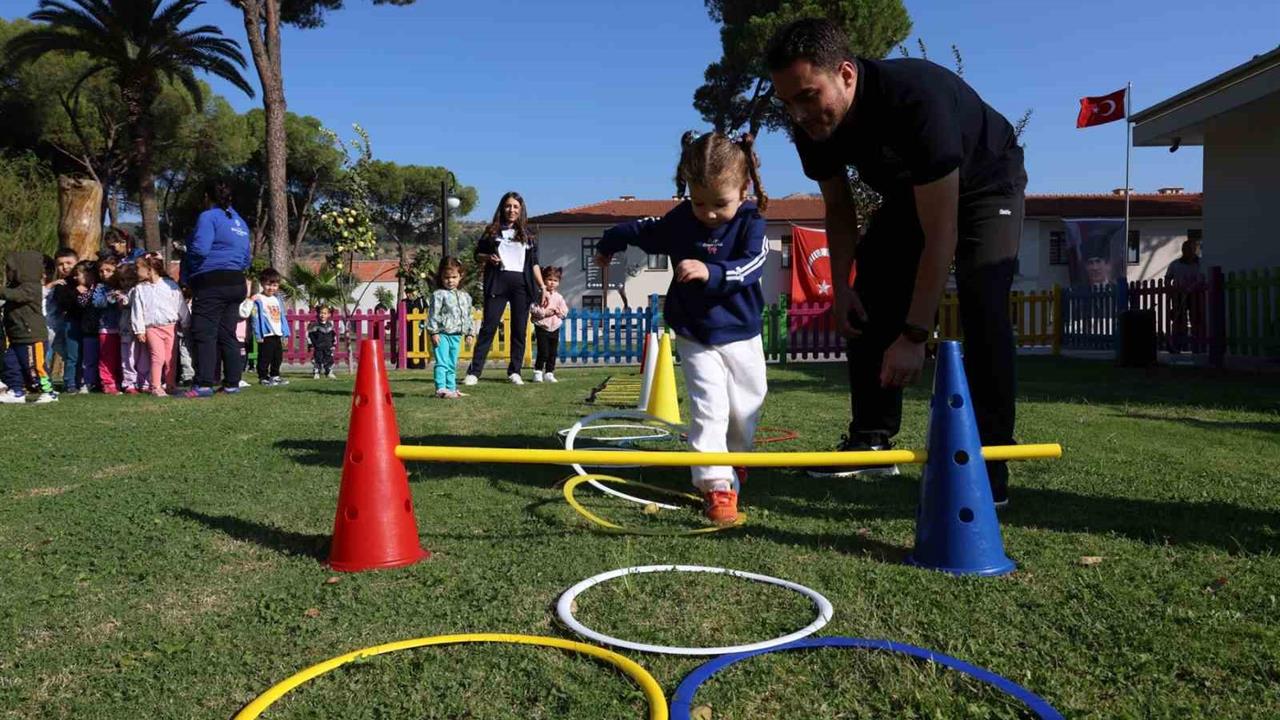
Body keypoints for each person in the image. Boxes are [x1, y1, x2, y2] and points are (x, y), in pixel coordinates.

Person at [767, 19, 1027, 505]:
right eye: (787, 103)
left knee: (982, 296)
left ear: (846, 73)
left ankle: (990, 460)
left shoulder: (914, 98)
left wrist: (913, 336)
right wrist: (842, 288)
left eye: (806, 95)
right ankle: (870, 438)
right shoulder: (811, 125)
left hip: (987, 182)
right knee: (870, 290)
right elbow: (840, 210)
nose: (799, 114)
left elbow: (942, 234)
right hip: (915, 192)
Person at [596, 131, 770, 525]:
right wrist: (608, 244)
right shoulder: (681, 220)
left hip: (743, 331)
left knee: (747, 405)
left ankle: (735, 461)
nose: (708, 213)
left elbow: (752, 265)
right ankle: (715, 486)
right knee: (710, 406)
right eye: (699, 201)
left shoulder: (750, 223)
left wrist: (712, 271)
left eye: (719, 204)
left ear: (743, 190)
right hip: (695, 333)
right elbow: (641, 229)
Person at [464, 192, 548, 386]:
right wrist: (487, 258)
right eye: (508, 206)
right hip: (497, 283)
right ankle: (474, 372)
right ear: (502, 208)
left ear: (521, 210)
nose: (512, 210)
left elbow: (534, 264)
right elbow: (478, 255)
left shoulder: (528, 235)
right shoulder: (491, 232)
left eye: (516, 207)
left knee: (519, 329)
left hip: (521, 286)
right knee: (489, 327)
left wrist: (542, 287)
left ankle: (515, 371)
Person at [183, 180, 251, 397]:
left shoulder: (208, 216)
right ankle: (232, 383)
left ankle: (203, 383)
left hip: (211, 281)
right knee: (227, 333)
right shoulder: (240, 221)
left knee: (205, 333)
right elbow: (246, 259)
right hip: (236, 281)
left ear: (206, 197)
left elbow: (201, 249)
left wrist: (187, 257)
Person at [1, 251, 59, 403]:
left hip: (32, 337)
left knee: (35, 367)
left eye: (10, 269)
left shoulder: (32, 288)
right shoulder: (15, 287)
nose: (8, 272)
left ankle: (49, 392)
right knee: (10, 364)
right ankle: (16, 391)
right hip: (16, 337)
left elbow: (14, 295)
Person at [129, 255, 187, 397]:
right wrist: (139, 329)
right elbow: (137, 310)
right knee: (158, 357)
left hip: (170, 327)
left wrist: (186, 321)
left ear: (150, 270)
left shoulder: (170, 285)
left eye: (138, 268)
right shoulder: (140, 289)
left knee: (170, 358)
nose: (136, 272)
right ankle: (155, 386)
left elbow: (180, 304)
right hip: (152, 329)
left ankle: (170, 385)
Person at [426, 257, 475, 399]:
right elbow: (433, 314)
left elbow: (468, 315)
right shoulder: (438, 295)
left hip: (457, 334)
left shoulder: (465, 296)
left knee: (452, 362)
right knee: (442, 361)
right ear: (441, 277)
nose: (450, 280)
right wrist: (433, 332)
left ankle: (452, 388)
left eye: (454, 277)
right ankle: (441, 388)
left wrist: (470, 333)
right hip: (441, 334)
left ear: (460, 277)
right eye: (447, 277)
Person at [249, 268, 290, 387]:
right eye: (268, 285)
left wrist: (285, 333)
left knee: (277, 356)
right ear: (262, 283)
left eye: (275, 285)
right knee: (265, 357)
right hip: (266, 333)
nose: (271, 288)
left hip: (277, 333)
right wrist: (258, 334)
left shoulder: (277, 299)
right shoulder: (258, 299)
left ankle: (275, 376)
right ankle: (263, 377)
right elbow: (255, 318)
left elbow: (282, 316)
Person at [92, 257, 125, 395]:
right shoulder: (100, 288)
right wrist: (111, 297)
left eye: (109, 270)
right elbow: (97, 303)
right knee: (107, 358)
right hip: (107, 328)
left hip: (123, 328)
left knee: (122, 357)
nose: (104, 274)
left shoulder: (124, 285)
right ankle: (108, 383)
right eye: (101, 271)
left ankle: (122, 382)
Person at [46, 247, 79, 388]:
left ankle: (74, 380)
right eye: (60, 264)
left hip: (69, 326)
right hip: (51, 326)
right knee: (46, 354)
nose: (65, 267)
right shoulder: (58, 284)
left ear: (76, 262)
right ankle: (43, 381)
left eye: (69, 263)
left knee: (70, 355)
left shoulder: (83, 281)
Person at [1164, 238, 1204, 353]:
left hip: (1196, 296)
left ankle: (1197, 346)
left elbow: (1202, 277)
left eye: (1191, 249)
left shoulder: (1200, 263)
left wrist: (1194, 286)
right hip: (1178, 296)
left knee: (1196, 320)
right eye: (1186, 249)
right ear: (1182, 250)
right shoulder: (1175, 264)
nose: (1188, 251)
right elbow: (1167, 279)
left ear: (1195, 250)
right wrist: (1171, 291)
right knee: (1179, 321)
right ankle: (1179, 345)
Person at [530, 265, 568, 383]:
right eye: (549, 280)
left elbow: (565, 311)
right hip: (542, 326)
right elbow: (533, 308)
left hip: (554, 327)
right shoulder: (539, 293)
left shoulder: (559, 297)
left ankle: (549, 373)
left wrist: (558, 312)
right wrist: (544, 313)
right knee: (543, 351)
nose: (552, 283)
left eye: (555, 281)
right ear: (544, 280)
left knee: (553, 352)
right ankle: (538, 371)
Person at [71, 261, 102, 393]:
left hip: (104, 329)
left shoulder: (100, 288)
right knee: (89, 359)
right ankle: (88, 381)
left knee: (103, 358)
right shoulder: (86, 290)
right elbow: (81, 303)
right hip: (89, 330)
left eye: (82, 274)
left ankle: (101, 381)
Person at [308, 305, 338, 379]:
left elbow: (333, 335)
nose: (322, 315)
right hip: (318, 346)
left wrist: (333, 344)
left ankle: (329, 372)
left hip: (328, 346)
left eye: (325, 313)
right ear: (318, 313)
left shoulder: (330, 325)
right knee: (317, 359)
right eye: (321, 313)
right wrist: (311, 345)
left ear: (328, 315)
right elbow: (310, 336)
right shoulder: (314, 325)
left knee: (329, 359)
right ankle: (316, 372)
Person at [403, 287, 428, 370]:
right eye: (407, 292)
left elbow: (426, 313)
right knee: (408, 344)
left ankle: (420, 365)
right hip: (407, 329)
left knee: (420, 344)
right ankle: (408, 364)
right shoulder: (404, 302)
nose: (408, 294)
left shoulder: (421, 301)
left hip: (419, 328)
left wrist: (423, 325)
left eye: (411, 292)